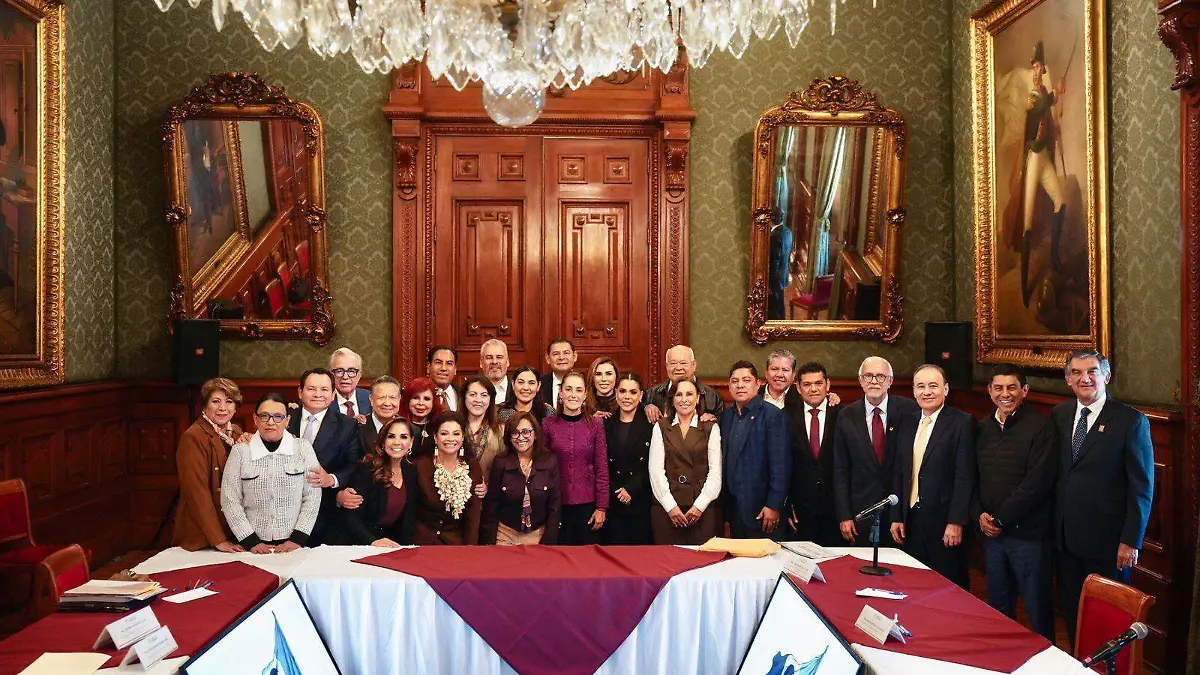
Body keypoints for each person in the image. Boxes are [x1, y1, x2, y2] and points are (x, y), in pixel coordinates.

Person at [1054, 350, 1153, 646]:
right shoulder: (1059, 415)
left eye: (1092, 371)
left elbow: (1142, 487)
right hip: (1065, 537)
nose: (1084, 378)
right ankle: (1079, 662)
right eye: (1076, 372)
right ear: (1068, 379)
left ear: (1106, 376)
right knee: (1072, 608)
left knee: (1109, 617)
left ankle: (1108, 665)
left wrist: (1131, 541)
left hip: (1108, 542)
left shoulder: (1130, 421)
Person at [973, 364, 1057, 641]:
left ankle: (1047, 660)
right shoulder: (981, 427)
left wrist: (1000, 519)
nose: (1005, 394)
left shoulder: (1042, 427)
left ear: (1025, 390)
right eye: (998, 388)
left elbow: (1037, 483)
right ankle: (1004, 657)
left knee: (1037, 607)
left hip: (1029, 537)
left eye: (1012, 387)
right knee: (999, 606)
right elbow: (972, 478)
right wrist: (979, 515)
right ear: (989, 391)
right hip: (992, 537)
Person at [889, 365, 977, 590]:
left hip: (944, 522)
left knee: (949, 588)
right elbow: (900, 471)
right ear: (914, 391)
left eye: (933, 386)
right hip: (911, 520)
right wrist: (897, 516)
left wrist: (956, 522)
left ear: (945, 389)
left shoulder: (962, 423)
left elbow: (965, 476)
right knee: (914, 586)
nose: (926, 392)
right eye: (921, 386)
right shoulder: (906, 421)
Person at [1000, 41, 1069, 306]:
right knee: (1026, 223)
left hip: (1045, 162)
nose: (1036, 71)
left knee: (1060, 203)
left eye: (1039, 67)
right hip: (1032, 162)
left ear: (1043, 69)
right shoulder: (1033, 95)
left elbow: (1047, 116)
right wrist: (1056, 92)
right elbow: (1038, 107)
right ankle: (1024, 287)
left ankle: (1054, 258)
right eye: (1034, 67)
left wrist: (1055, 126)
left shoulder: (1042, 92)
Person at [832, 356, 918, 545]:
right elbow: (840, 470)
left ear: (890, 381)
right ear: (860, 380)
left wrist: (900, 514)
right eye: (868, 376)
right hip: (861, 512)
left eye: (880, 376)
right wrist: (844, 515)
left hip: (900, 511)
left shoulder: (910, 410)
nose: (874, 381)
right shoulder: (846, 415)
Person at [221, 393, 321, 553]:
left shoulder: (303, 448)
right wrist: (250, 541)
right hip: (250, 548)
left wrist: (297, 539)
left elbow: (312, 497)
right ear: (255, 419)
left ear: (287, 421)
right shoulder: (240, 451)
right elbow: (230, 499)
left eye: (278, 416)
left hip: (295, 547)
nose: (271, 422)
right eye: (264, 416)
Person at [286, 368, 359, 545]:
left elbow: (353, 464)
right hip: (284, 510)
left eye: (324, 389)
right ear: (300, 392)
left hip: (325, 512)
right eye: (311, 389)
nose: (318, 394)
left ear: (333, 395)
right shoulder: (284, 419)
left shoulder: (347, 425)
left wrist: (332, 479)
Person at [172, 377, 245, 552]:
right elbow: (197, 493)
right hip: (202, 537)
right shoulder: (193, 437)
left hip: (231, 530)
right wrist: (219, 540)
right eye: (216, 401)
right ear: (204, 406)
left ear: (235, 408)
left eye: (229, 401)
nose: (223, 408)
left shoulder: (236, 433)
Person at [720, 361, 790, 540]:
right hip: (734, 508)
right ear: (729, 385)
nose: (740, 385)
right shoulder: (726, 417)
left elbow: (781, 465)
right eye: (735, 381)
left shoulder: (773, 416)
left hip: (762, 510)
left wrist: (773, 504)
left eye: (746, 380)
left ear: (757, 384)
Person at [649, 378, 722, 544]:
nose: (684, 399)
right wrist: (671, 507)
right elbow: (655, 472)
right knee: (668, 559)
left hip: (702, 509)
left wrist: (699, 507)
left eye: (689, 394)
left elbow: (715, 473)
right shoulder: (661, 426)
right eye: (678, 394)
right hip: (667, 508)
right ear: (672, 399)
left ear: (697, 398)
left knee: (701, 559)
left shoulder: (710, 427)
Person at [542, 371, 609, 544]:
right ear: (560, 393)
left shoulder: (596, 424)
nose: (573, 395)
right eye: (569, 389)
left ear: (585, 394)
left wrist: (602, 507)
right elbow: (542, 467)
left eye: (578, 390)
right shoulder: (547, 425)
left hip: (588, 505)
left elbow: (602, 468)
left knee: (587, 556)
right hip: (556, 504)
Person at [481, 412, 561, 545]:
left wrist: (548, 542)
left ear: (535, 434)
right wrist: (489, 541)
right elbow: (492, 505)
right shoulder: (500, 462)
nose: (520, 437)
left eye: (526, 432)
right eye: (515, 433)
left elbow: (554, 505)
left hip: (537, 534)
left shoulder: (549, 461)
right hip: (505, 534)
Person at [787, 362, 843, 546]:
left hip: (836, 509)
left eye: (818, 383)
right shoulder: (785, 416)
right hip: (800, 511)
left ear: (828, 385)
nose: (813, 389)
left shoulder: (843, 414)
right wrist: (786, 505)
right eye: (807, 384)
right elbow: (782, 465)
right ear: (798, 387)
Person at [339, 418, 418, 547]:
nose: (397, 442)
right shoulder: (367, 469)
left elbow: (408, 520)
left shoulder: (411, 471)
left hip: (390, 545)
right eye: (391, 436)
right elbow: (352, 518)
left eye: (403, 437)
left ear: (411, 442)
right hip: (358, 544)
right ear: (383, 441)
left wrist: (406, 549)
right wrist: (373, 541)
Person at [411, 412, 484, 545]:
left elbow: (472, 516)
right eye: (444, 433)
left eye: (456, 434)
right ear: (435, 437)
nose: (450, 439)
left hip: (455, 543)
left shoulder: (472, 467)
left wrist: (471, 548)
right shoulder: (420, 466)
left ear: (462, 438)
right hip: (421, 541)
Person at [603, 373, 654, 545]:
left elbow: (652, 464)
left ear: (640, 395)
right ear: (616, 393)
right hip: (613, 502)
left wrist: (631, 489)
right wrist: (617, 490)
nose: (627, 397)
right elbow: (602, 463)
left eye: (633, 392)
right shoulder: (605, 424)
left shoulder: (651, 425)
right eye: (623, 391)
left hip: (641, 502)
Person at [644, 345, 726, 423]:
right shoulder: (652, 394)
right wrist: (646, 408)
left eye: (683, 363)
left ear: (693, 365)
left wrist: (714, 420)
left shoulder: (712, 396)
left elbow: (723, 425)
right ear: (667, 366)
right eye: (673, 363)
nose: (678, 368)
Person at [462, 375, 503, 484]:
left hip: (491, 490)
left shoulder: (500, 430)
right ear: (464, 397)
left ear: (490, 399)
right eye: (472, 394)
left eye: (484, 395)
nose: (478, 400)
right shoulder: (455, 427)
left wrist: (489, 486)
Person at [356, 376, 402, 458]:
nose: (387, 403)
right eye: (381, 397)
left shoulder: (411, 430)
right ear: (371, 399)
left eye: (392, 397)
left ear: (399, 399)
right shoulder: (356, 429)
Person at [400, 377, 442, 454]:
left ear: (433, 402)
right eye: (415, 398)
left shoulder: (439, 428)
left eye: (426, 399)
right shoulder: (398, 426)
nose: (421, 403)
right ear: (407, 401)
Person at [329, 347, 371, 420]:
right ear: (331, 374)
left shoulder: (370, 398)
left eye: (351, 371)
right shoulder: (323, 400)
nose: (345, 377)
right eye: (339, 371)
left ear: (359, 375)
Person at [537, 337, 578, 408]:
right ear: (548, 358)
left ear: (574, 356)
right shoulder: (538, 385)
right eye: (556, 354)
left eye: (566, 353)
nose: (561, 358)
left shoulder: (586, 384)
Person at [768, 208, 793, 320]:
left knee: (774, 308)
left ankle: (777, 327)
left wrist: (770, 284)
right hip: (783, 275)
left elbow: (774, 262)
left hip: (775, 279)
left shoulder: (774, 237)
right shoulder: (787, 232)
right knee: (780, 305)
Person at [480, 339, 513, 406]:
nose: (494, 362)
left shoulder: (517, 390)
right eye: (489, 358)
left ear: (507, 362)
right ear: (481, 363)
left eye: (499, 357)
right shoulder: (471, 392)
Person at [427, 346, 460, 413]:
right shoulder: (417, 395)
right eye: (438, 362)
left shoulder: (464, 396)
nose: (443, 368)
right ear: (428, 368)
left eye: (449, 363)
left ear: (455, 370)